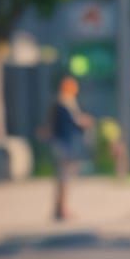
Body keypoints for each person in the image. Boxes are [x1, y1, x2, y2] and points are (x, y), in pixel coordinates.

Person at [49, 75, 91, 221]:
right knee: (64, 178)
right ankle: (62, 208)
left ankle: (60, 207)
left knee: (63, 178)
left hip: (62, 143)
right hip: (64, 145)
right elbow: (72, 123)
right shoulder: (64, 103)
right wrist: (83, 122)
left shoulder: (63, 103)